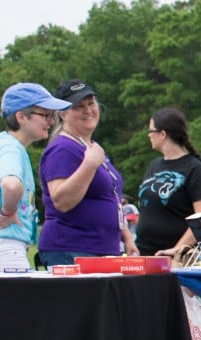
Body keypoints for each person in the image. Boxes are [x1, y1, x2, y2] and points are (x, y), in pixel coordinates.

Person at [0, 83, 72, 269]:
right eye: (46, 115)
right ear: (21, 117)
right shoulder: (11, 149)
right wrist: (7, 212)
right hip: (3, 250)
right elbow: (11, 185)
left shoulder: (4, 144)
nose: (51, 122)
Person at [37, 80, 138, 265]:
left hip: (101, 249)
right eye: (78, 106)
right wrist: (89, 164)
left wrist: (125, 235)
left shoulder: (90, 148)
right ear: (62, 114)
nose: (88, 110)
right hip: (71, 248)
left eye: (91, 103)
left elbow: (111, 197)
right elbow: (61, 200)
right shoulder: (62, 149)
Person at [136, 107, 201, 257]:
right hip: (144, 253)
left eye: (151, 131)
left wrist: (177, 250)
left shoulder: (194, 169)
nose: (148, 135)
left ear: (163, 134)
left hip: (174, 259)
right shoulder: (154, 165)